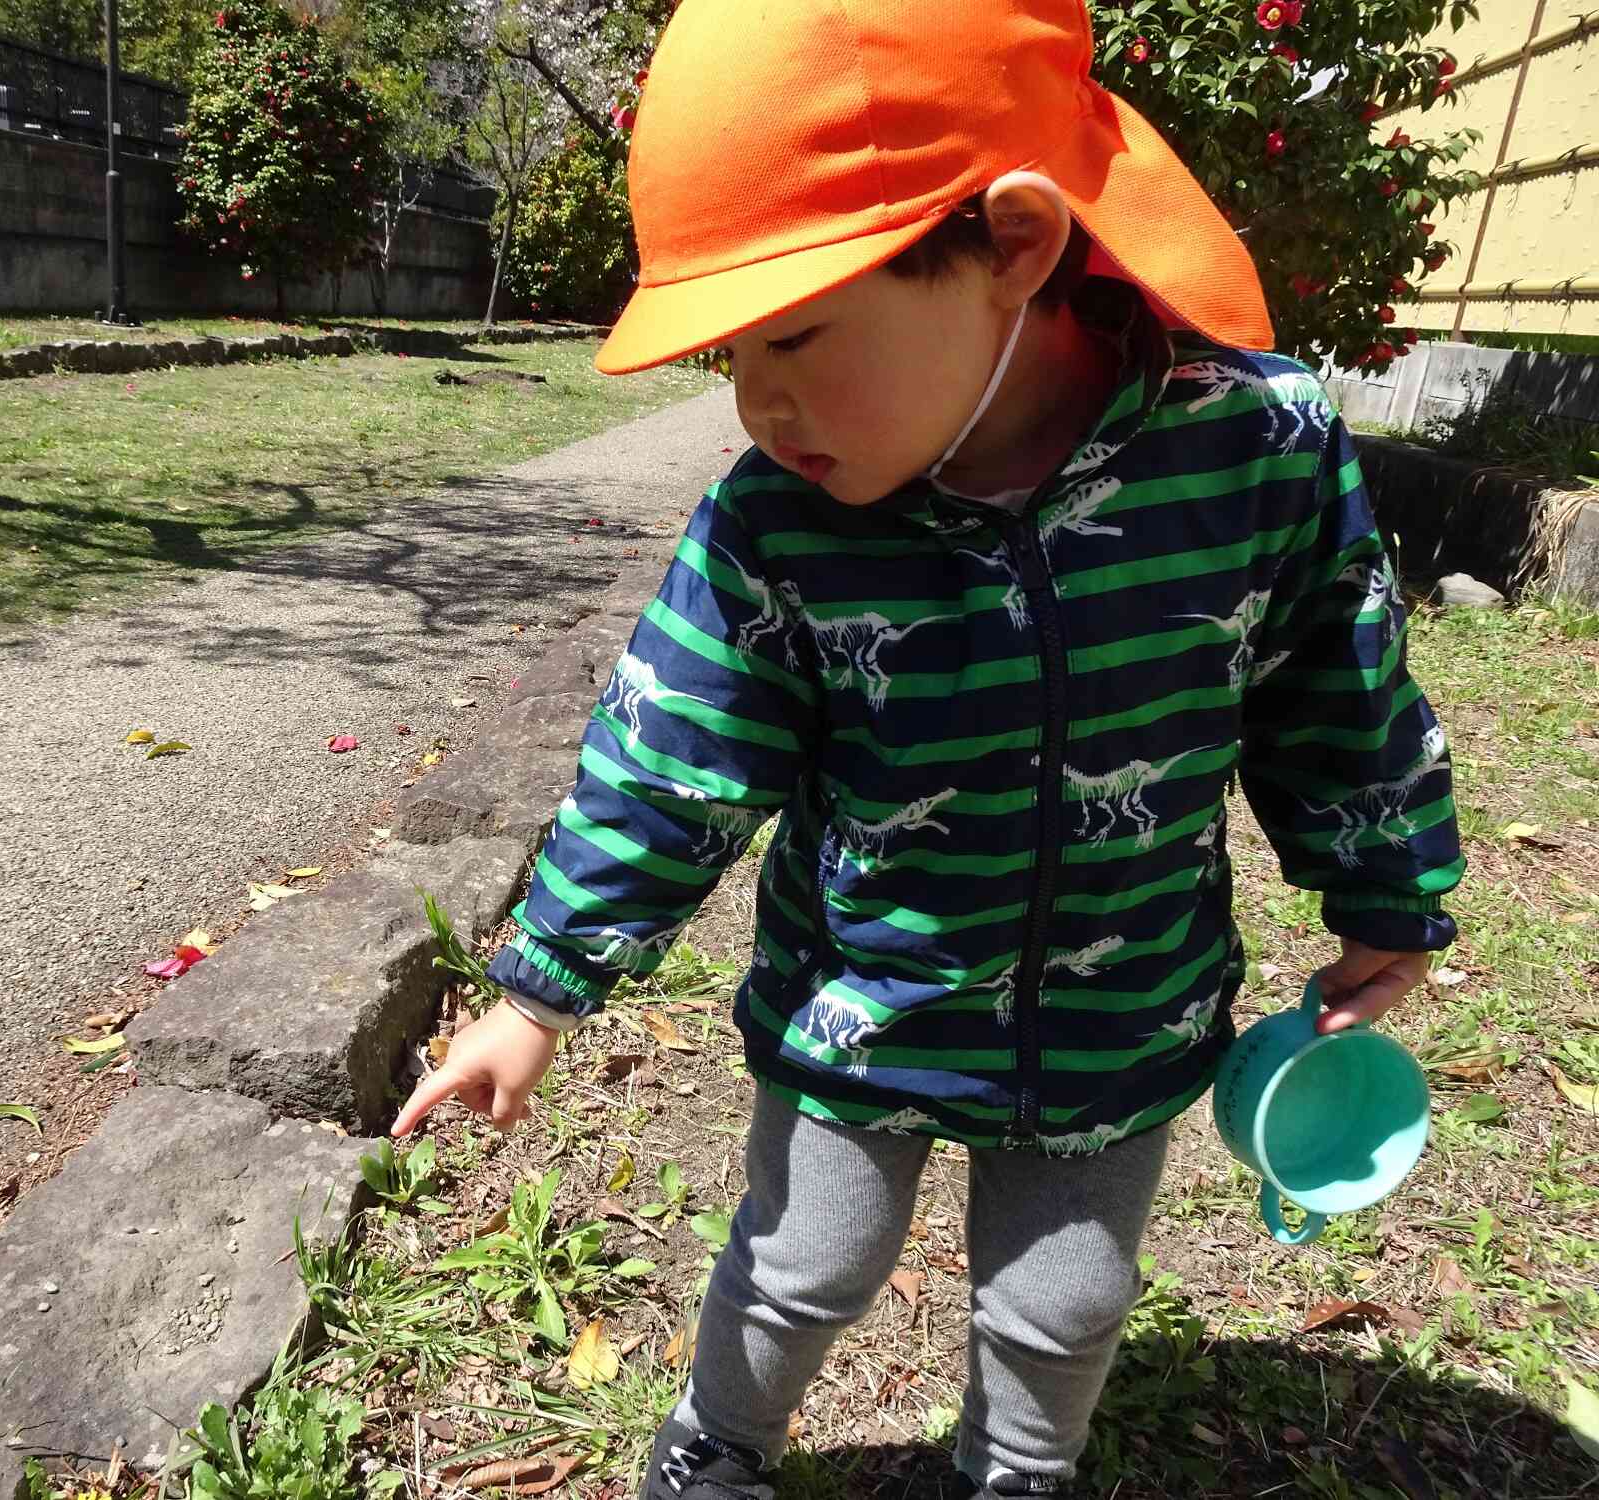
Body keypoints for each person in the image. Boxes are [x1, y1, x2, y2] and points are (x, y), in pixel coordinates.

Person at [391, 0, 1465, 1493]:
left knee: (1068, 1298)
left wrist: (1386, 893)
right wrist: (539, 991)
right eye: (731, 360)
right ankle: (716, 1446)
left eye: (799, 338)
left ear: (1015, 245)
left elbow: (1333, 685)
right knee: (802, 1263)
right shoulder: (781, 524)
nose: (762, 408)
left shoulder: (1255, 453)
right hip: (862, 1009)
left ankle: (1021, 1472)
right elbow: (670, 759)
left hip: (1120, 1007)